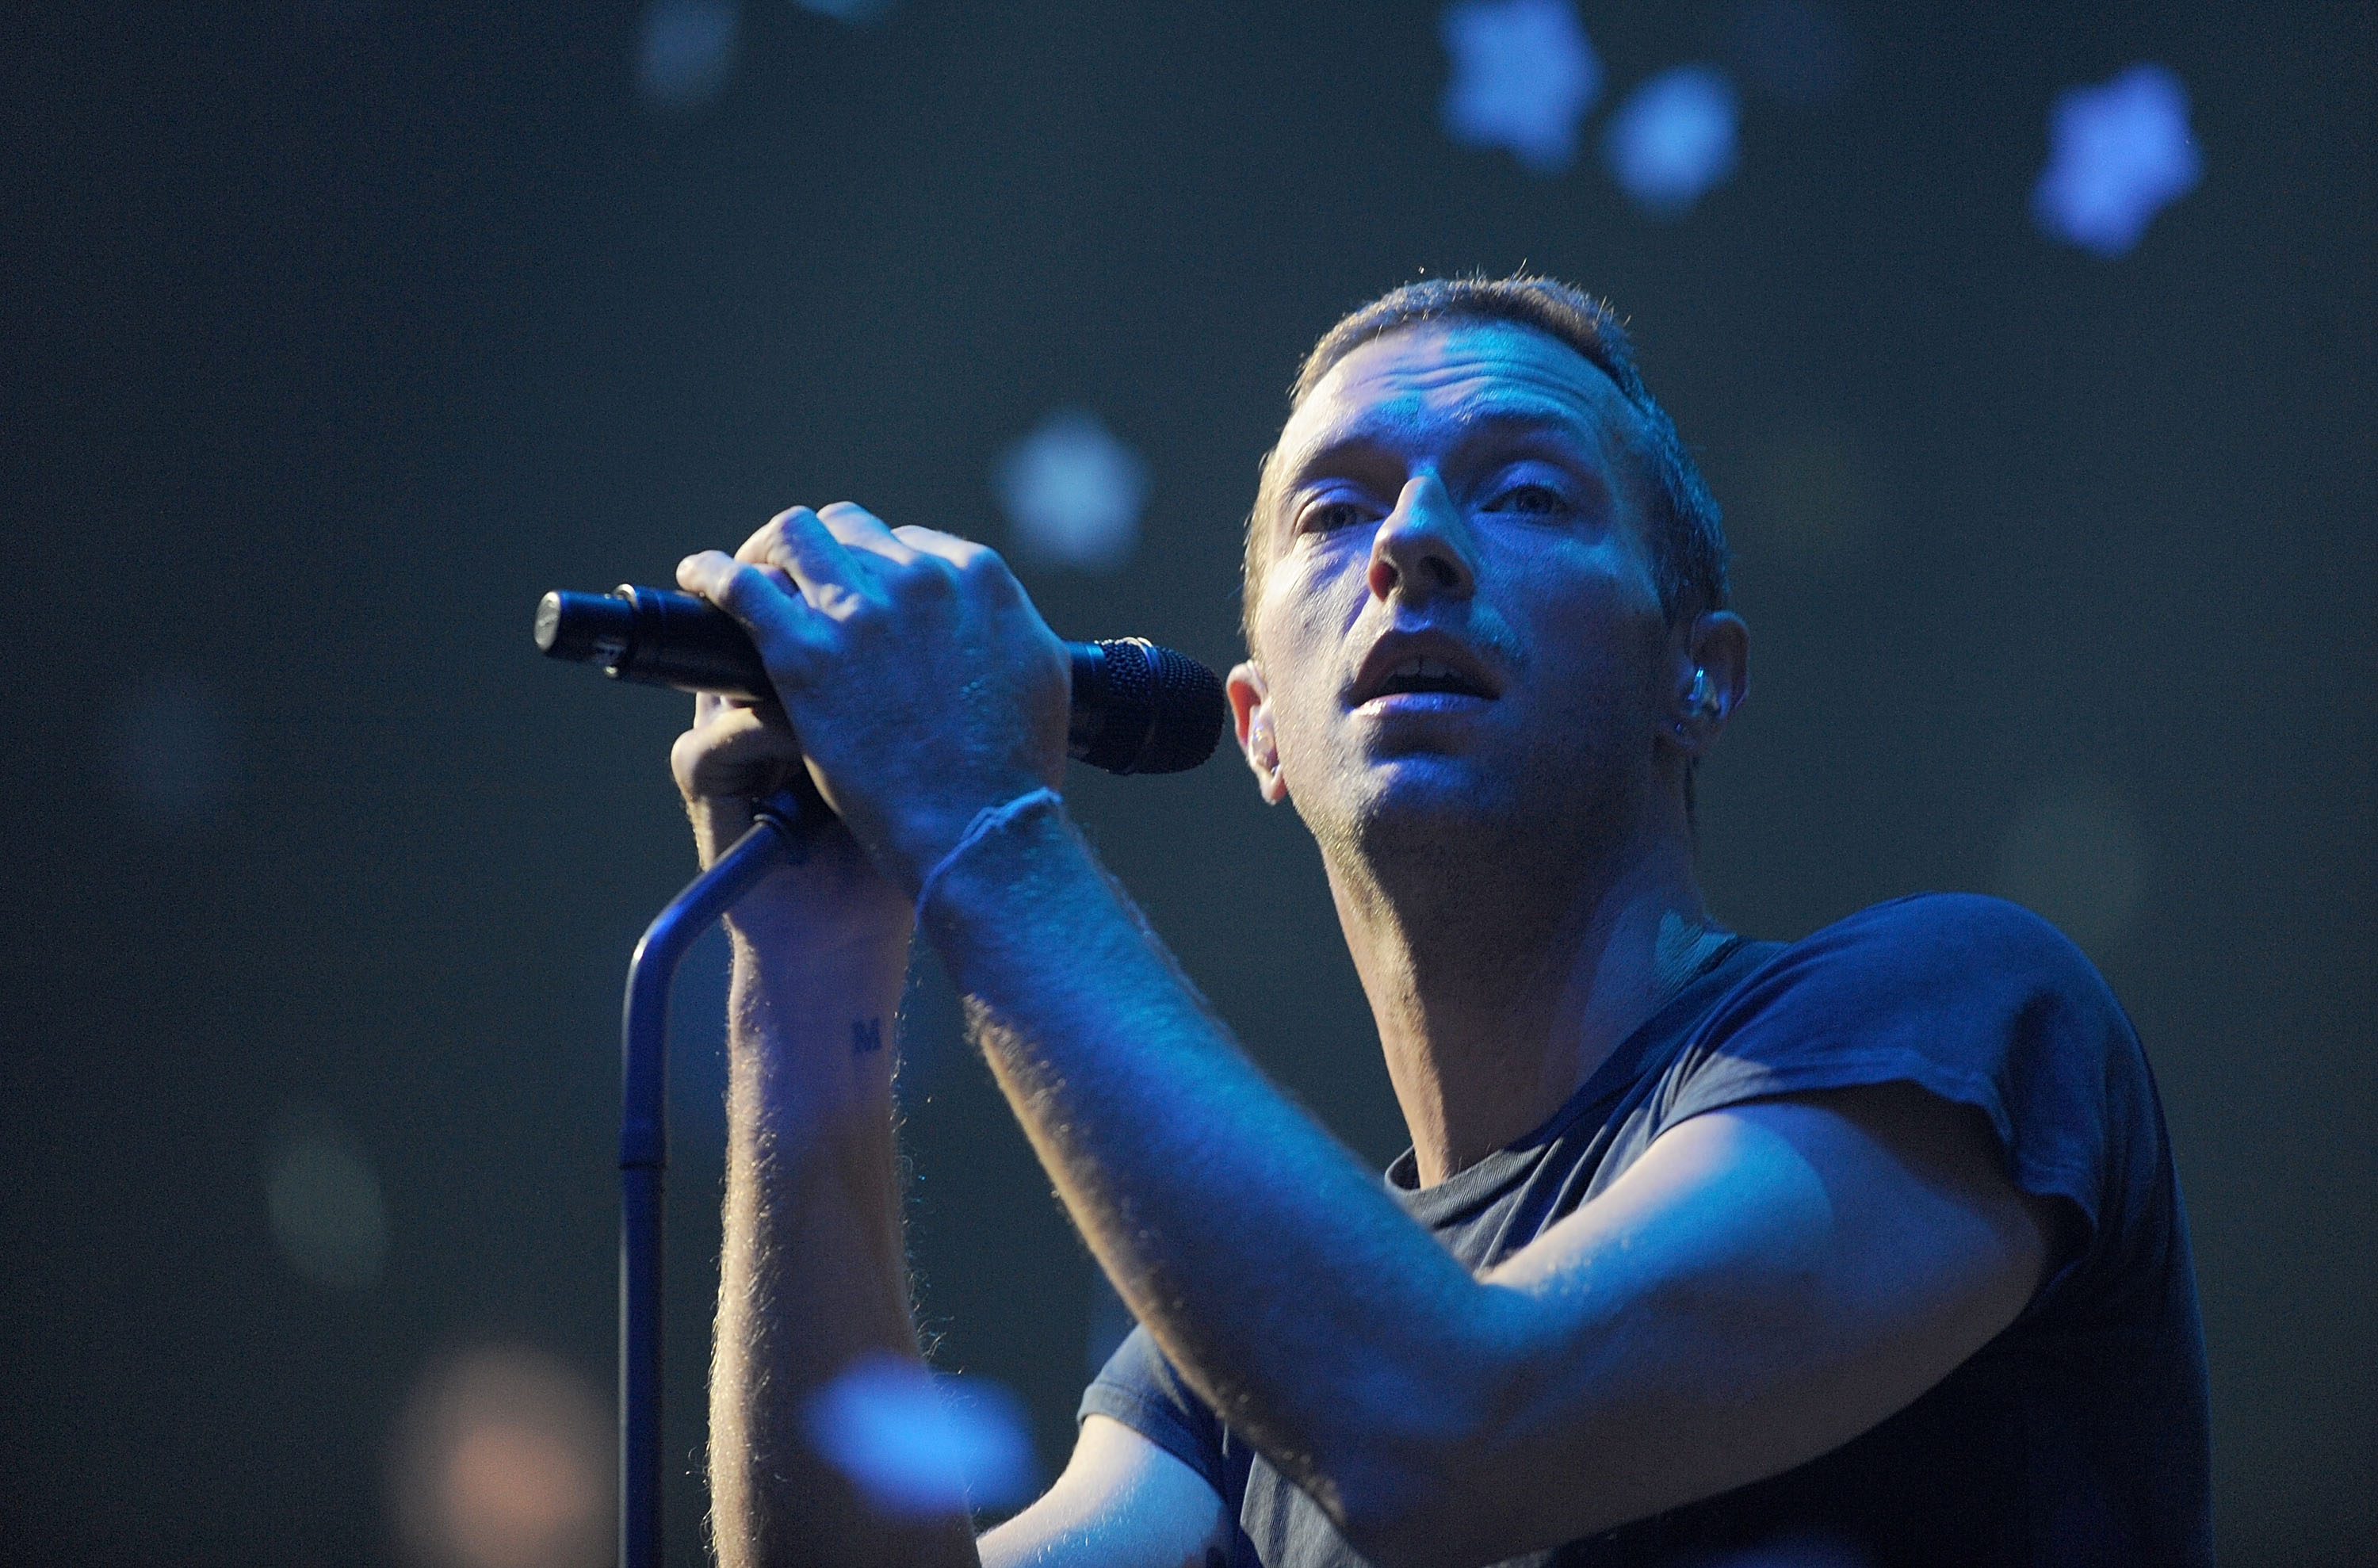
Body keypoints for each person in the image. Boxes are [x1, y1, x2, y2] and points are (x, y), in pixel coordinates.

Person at [669, 276, 2211, 1567]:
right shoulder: (1230, 1378)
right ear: (1259, 727)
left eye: (1526, 491)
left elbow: (1443, 1430)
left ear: (1700, 674)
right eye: (1334, 511)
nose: (1410, 542)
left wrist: (983, 824)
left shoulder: (1964, 1013)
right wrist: (801, 982)